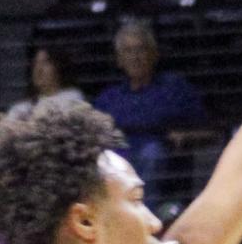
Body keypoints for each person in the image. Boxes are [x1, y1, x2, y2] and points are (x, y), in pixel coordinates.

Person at [91, 20, 208, 193]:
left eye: (140, 49)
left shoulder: (174, 89)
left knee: (151, 153)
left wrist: (185, 136)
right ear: (119, 60)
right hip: (119, 162)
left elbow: (208, 131)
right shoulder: (108, 98)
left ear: (154, 54)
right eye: (128, 51)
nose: (135, 57)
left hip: (161, 165)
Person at [23, 45, 84, 110]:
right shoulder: (22, 108)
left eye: (45, 63)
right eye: (35, 64)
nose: (38, 69)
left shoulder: (72, 98)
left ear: (58, 67)